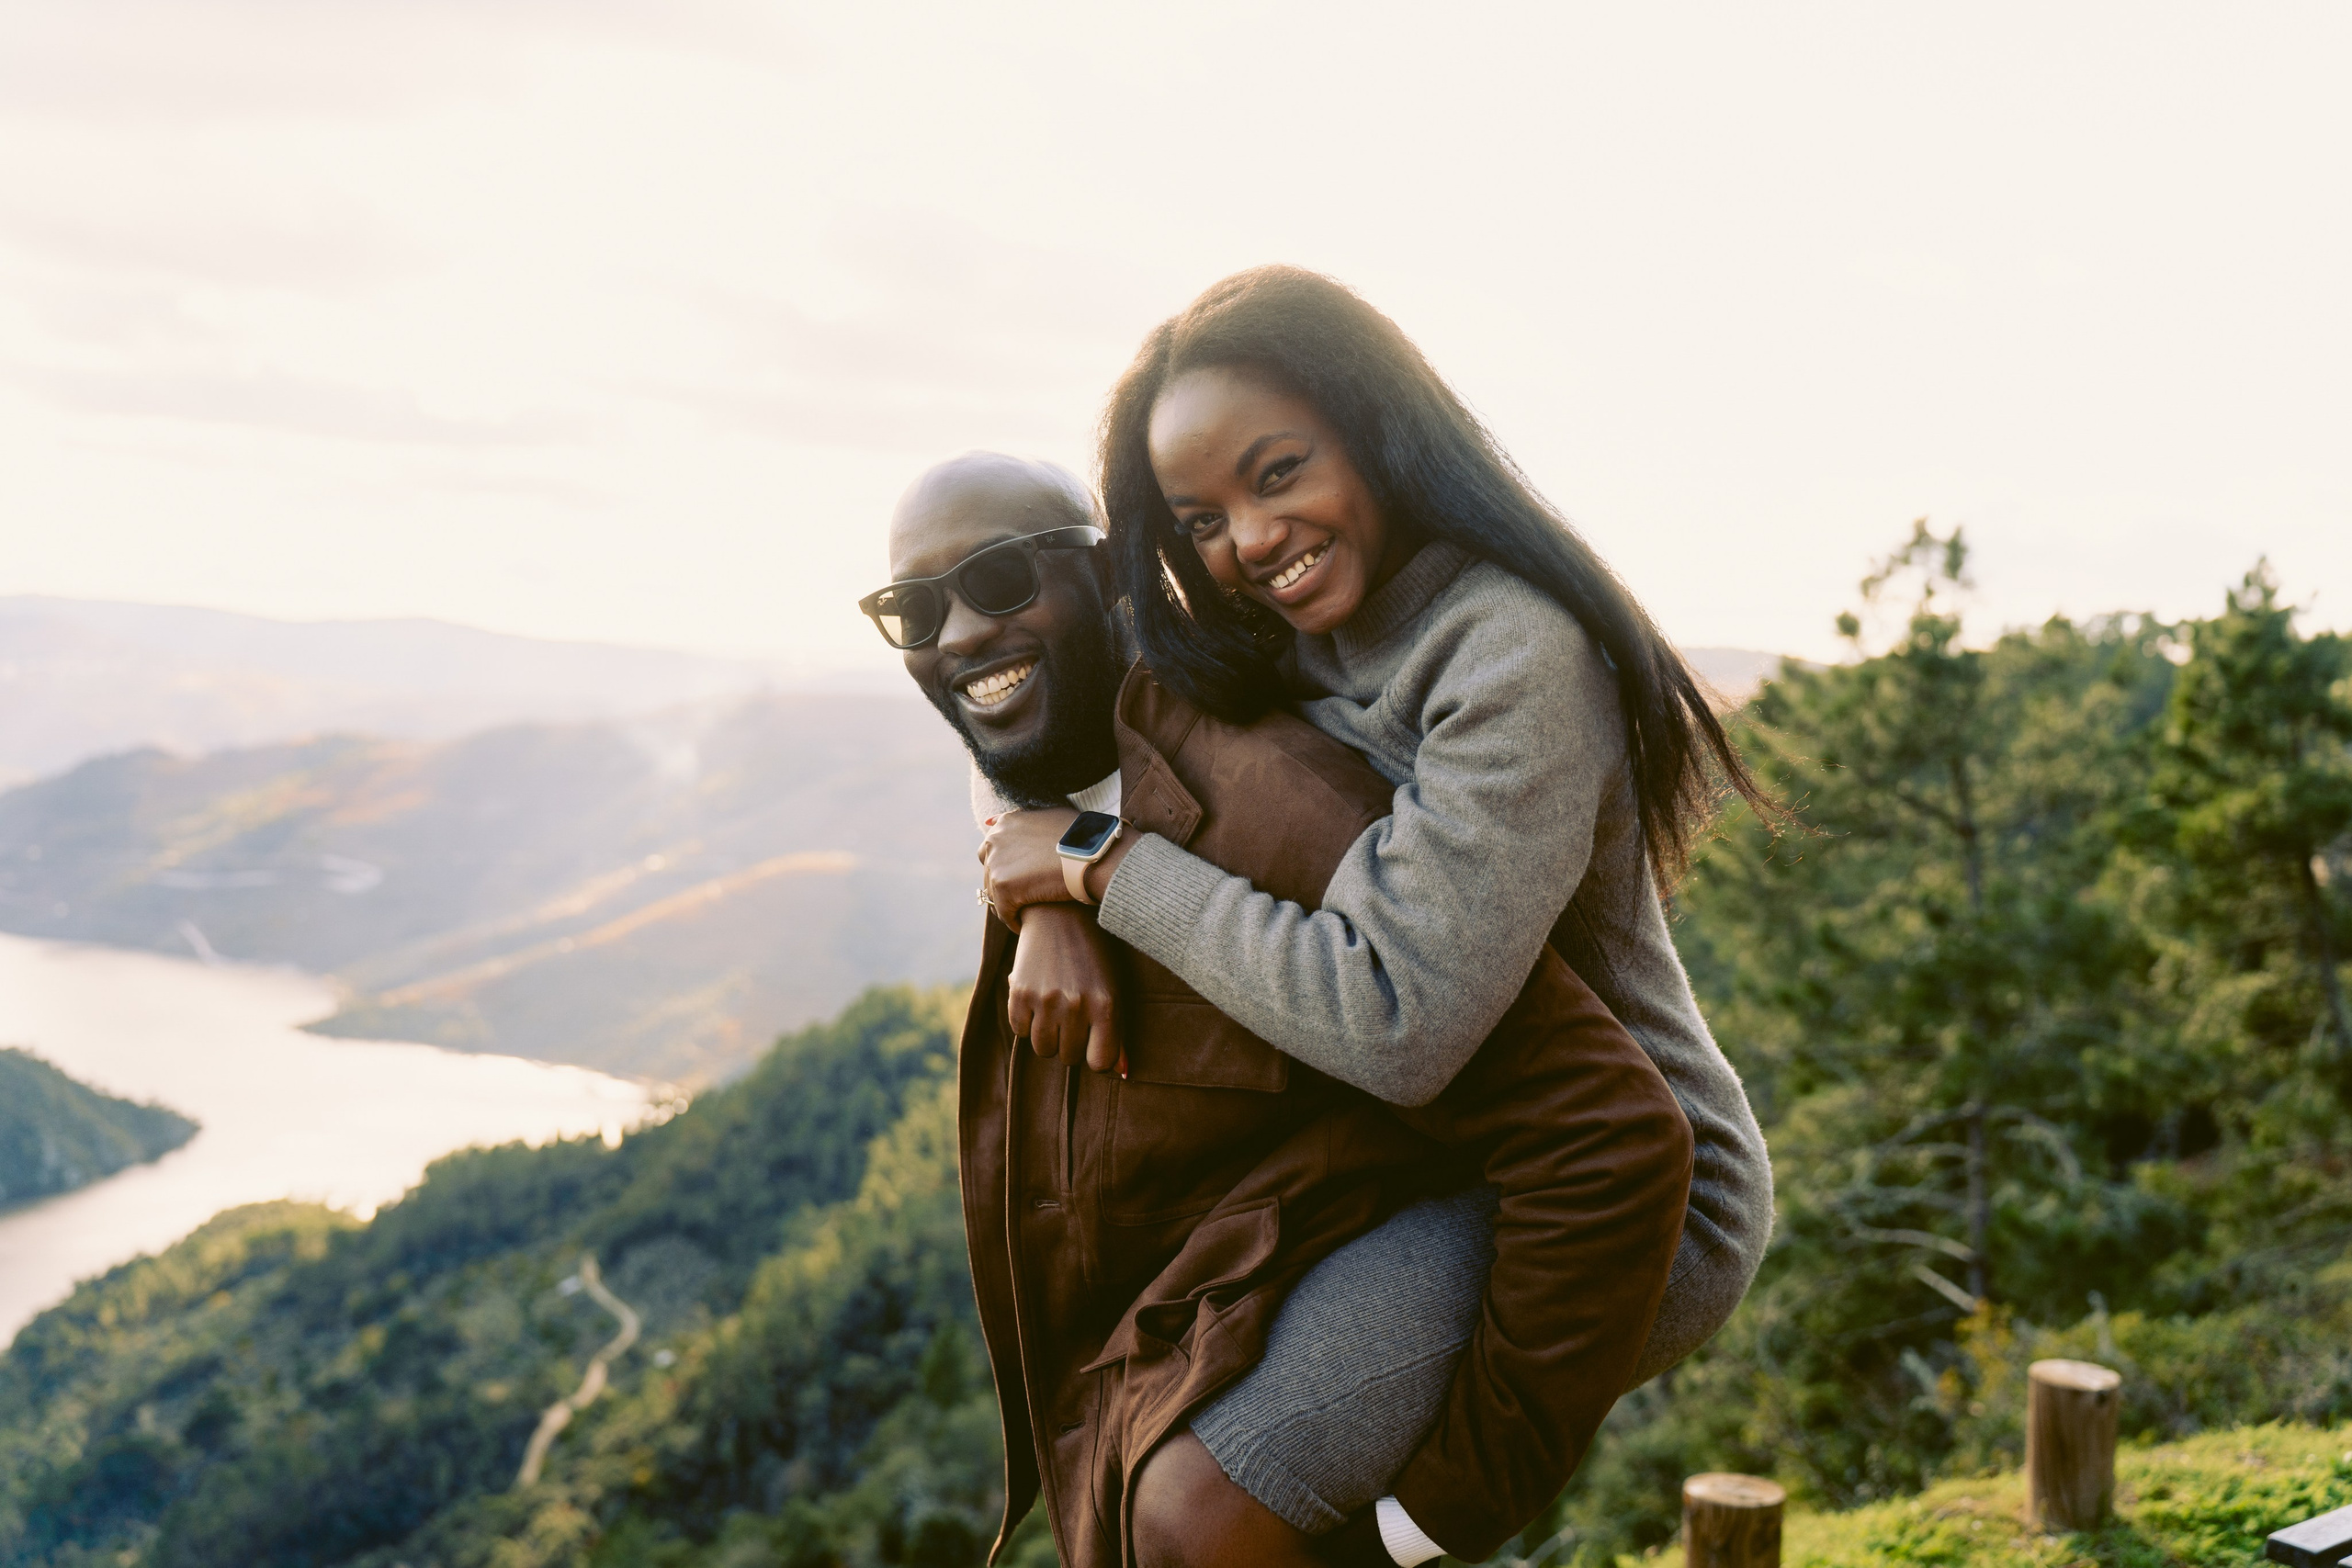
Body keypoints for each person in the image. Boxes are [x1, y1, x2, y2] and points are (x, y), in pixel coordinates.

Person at [977, 268, 1776, 1562]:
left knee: (1196, 1503)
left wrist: (1105, 872)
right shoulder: (1262, 628)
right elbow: (1015, 692)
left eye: (1279, 471)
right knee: (1144, 1451)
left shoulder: (1508, 653)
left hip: (1612, 1186)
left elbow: (1397, 1016)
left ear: (1376, 427)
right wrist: (1042, 896)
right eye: (1201, 519)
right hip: (1405, 1147)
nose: (1250, 539)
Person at [871, 453, 1694, 1568]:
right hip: (1295, 1222)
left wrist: (1424, 1526)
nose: (961, 632)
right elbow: (1009, 730)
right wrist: (1044, 887)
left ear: (1111, 574)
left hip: (1577, 1213)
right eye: (915, 609)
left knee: (1192, 1511)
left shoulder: (1278, 804)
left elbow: (1607, 1135)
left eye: (1001, 578)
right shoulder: (1064, 757)